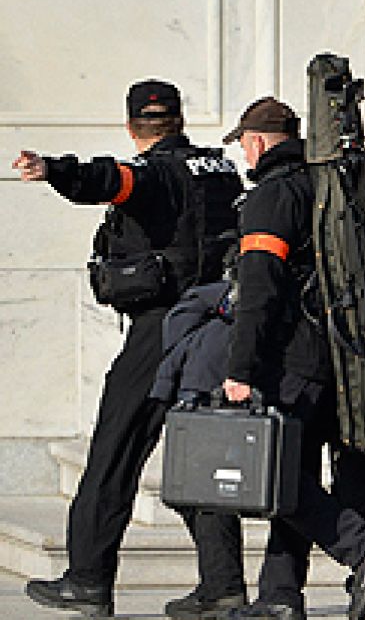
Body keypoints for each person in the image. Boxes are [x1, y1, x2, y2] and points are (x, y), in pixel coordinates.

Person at [16, 80, 247, 618]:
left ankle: (88, 579)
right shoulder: (220, 169)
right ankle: (223, 585)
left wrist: (53, 169)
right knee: (201, 454)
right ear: (180, 120)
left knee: (115, 450)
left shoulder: (152, 173)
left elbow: (111, 179)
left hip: (162, 326)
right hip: (215, 324)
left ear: (131, 127)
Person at [220, 97, 365, 620]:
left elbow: (259, 289)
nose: (245, 156)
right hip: (337, 358)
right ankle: (280, 596)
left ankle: (363, 548)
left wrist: (240, 369)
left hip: (292, 358)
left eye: (244, 146)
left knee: (274, 476)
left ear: (256, 143)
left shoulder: (272, 196)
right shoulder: (324, 184)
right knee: (292, 474)